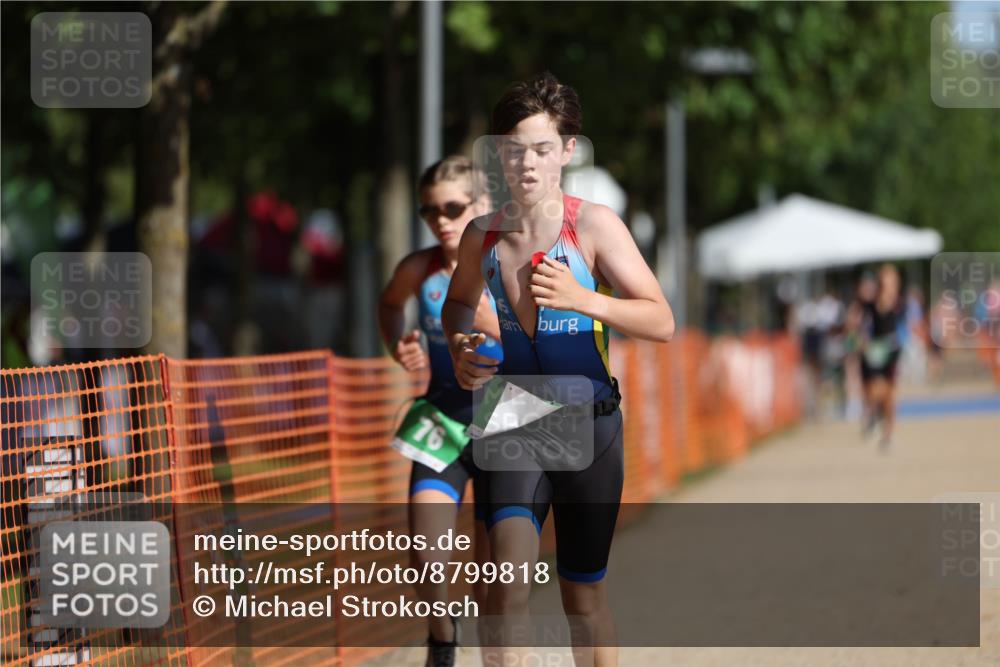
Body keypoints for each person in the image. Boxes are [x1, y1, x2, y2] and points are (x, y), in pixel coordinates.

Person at [441, 73, 674, 667]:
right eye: (514, 149)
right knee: (507, 585)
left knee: (582, 596)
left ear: (567, 151)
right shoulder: (482, 235)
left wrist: (583, 297)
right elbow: (458, 304)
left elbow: (661, 320)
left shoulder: (594, 226)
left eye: (542, 149)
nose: (527, 164)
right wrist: (461, 346)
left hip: (590, 420)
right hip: (515, 414)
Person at [378, 155, 499, 667]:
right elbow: (389, 304)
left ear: (484, 205)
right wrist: (398, 344)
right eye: (430, 211)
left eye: (453, 207)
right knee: (427, 551)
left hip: (504, 424)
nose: (441, 220)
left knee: (495, 571)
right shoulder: (418, 268)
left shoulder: (510, 263)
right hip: (442, 421)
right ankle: (443, 644)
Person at [859, 264, 905, 451]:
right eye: (888, 279)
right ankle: (874, 414)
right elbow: (862, 325)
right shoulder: (870, 304)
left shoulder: (898, 303)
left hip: (891, 352)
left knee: (889, 396)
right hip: (875, 352)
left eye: (893, 280)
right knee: (874, 390)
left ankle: (887, 435)